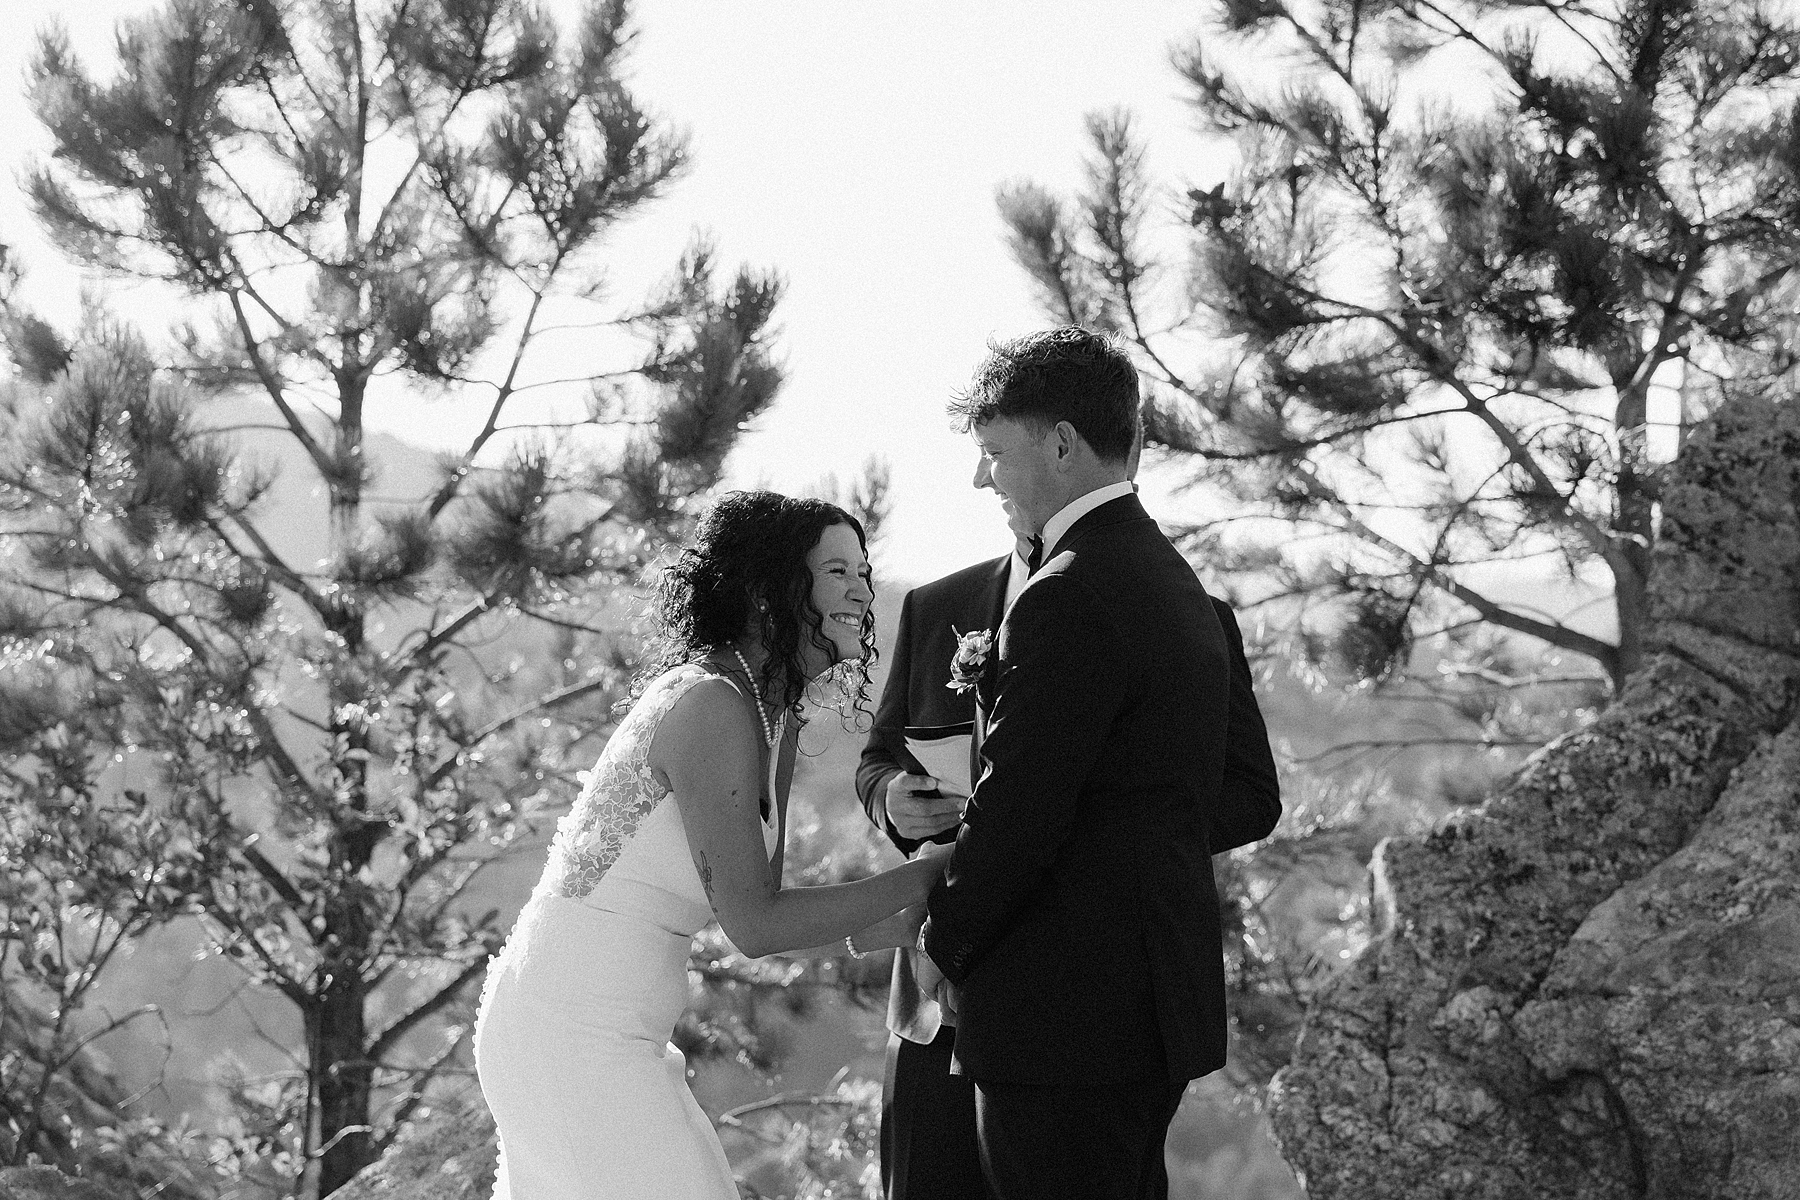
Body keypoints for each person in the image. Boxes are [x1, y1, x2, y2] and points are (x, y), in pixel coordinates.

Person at [474, 491, 948, 1200]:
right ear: (769, 593)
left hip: (616, 1035)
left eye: (864, 570)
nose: (862, 589)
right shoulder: (711, 706)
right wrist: (930, 875)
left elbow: (767, 915)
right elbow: (756, 925)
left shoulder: (771, 717)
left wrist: (918, 920)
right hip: (569, 1033)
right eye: (837, 571)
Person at [859, 422, 1281, 1200]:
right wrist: (890, 797)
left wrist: (1075, 831)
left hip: (1056, 986)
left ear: (1059, 447)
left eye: (994, 453)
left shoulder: (1171, 607)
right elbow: (881, 754)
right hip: (941, 1003)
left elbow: (1249, 794)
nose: (984, 480)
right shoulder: (939, 604)